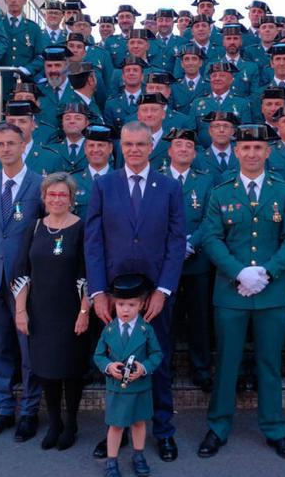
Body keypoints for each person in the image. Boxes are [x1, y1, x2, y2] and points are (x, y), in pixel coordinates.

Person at [197, 124, 285, 460]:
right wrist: (239, 272)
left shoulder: (284, 191)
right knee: (226, 363)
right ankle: (218, 426)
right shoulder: (221, 192)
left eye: (258, 148)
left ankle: (274, 428)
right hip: (231, 292)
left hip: (272, 293)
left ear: (268, 152)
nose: (252, 154)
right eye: (246, 148)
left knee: (269, 364)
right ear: (237, 152)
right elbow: (212, 239)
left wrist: (266, 272)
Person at [85, 121, 186, 462]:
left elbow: (176, 242)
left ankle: (163, 430)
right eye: (128, 144)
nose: (134, 150)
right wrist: (98, 292)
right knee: (116, 364)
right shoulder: (104, 185)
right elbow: (94, 242)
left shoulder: (169, 187)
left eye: (141, 144)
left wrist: (163, 291)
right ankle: (118, 432)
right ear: (120, 146)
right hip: (114, 294)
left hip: (155, 293)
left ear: (151, 146)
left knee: (156, 363)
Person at [0, 122, 44, 442]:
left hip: (24, 282)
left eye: (11, 143)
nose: (5, 149)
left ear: (23, 144)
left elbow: (42, 234)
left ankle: (29, 411)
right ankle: (3, 410)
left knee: (27, 350)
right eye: (0, 144)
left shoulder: (38, 183)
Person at [12, 172, 90, 451]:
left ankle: (71, 424)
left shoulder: (82, 228)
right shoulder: (34, 227)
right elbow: (22, 272)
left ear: (71, 198)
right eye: (51, 194)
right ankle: (54, 422)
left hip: (71, 311)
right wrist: (20, 311)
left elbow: (86, 272)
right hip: (40, 311)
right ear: (44, 198)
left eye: (62, 195)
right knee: (45, 369)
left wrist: (84, 311)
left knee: (70, 370)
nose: (57, 199)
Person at [94, 274, 164, 477]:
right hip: (116, 388)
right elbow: (98, 355)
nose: (125, 309)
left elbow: (157, 354)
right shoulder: (108, 330)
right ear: (114, 304)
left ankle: (138, 455)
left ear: (142, 305)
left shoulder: (146, 329)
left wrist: (144, 368)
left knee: (139, 422)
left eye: (132, 305)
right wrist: (108, 366)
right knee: (115, 426)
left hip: (139, 386)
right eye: (121, 304)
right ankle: (111, 460)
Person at [162, 128, 215, 392]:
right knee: (165, 317)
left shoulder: (205, 181)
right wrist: (173, 245)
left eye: (188, 146)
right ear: (170, 151)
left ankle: (201, 368)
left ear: (194, 153)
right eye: (178, 145)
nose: (183, 149)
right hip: (164, 261)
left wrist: (191, 243)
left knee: (199, 318)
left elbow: (210, 218)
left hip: (197, 260)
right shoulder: (157, 179)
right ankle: (164, 367)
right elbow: (151, 217)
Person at [0, 0, 45, 97]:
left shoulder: (33, 28)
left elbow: (41, 56)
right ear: (5, 0)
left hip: (24, 86)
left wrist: (28, 69)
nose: (13, 0)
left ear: (25, 0)